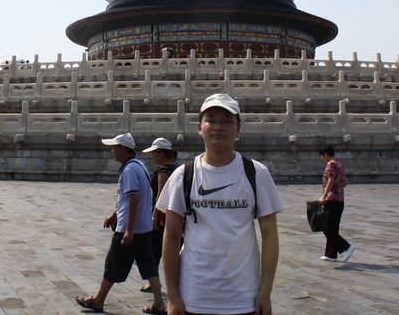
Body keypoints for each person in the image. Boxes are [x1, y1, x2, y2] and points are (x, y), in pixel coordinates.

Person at [156, 93, 284, 315]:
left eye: (226, 121)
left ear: (238, 129)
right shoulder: (182, 176)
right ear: (199, 127)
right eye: (211, 120)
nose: (218, 127)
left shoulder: (256, 173)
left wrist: (265, 293)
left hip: (243, 298)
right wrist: (173, 296)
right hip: (193, 296)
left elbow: (270, 236)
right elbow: (171, 236)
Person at [76, 132, 166, 315]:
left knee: (113, 263)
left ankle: (98, 300)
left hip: (129, 229)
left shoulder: (129, 170)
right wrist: (113, 214)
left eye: (114, 148)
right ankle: (159, 303)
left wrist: (128, 231)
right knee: (148, 265)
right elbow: (131, 199)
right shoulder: (138, 165)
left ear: (123, 150)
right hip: (144, 228)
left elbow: (133, 200)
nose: (112, 152)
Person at [140, 137, 180, 294]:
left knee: (153, 251)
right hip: (176, 214)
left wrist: (155, 217)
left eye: (154, 153)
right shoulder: (178, 168)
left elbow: (160, 196)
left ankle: (153, 282)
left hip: (162, 216)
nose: (152, 157)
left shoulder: (163, 171)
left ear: (161, 153)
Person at [317, 145, 356, 263]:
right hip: (340, 200)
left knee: (327, 228)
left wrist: (324, 195)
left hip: (332, 201)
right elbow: (345, 182)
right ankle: (331, 255)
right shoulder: (339, 164)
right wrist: (338, 190)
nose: (321, 159)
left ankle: (346, 247)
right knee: (333, 228)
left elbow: (331, 179)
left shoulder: (330, 164)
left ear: (326, 155)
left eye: (321, 156)